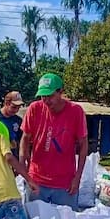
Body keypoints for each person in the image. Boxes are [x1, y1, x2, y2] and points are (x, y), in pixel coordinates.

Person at [20, 73, 88, 211]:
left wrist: (77, 178)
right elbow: (25, 139)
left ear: (60, 92)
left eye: (50, 96)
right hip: (37, 181)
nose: (46, 100)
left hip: (65, 183)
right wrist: (23, 168)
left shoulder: (75, 111)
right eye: (43, 96)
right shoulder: (34, 109)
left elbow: (83, 144)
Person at [0, 91, 24, 158]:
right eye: (14, 107)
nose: (16, 110)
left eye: (18, 108)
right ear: (6, 103)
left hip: (12, 157)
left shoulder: (18, 120)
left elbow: (21, 141)